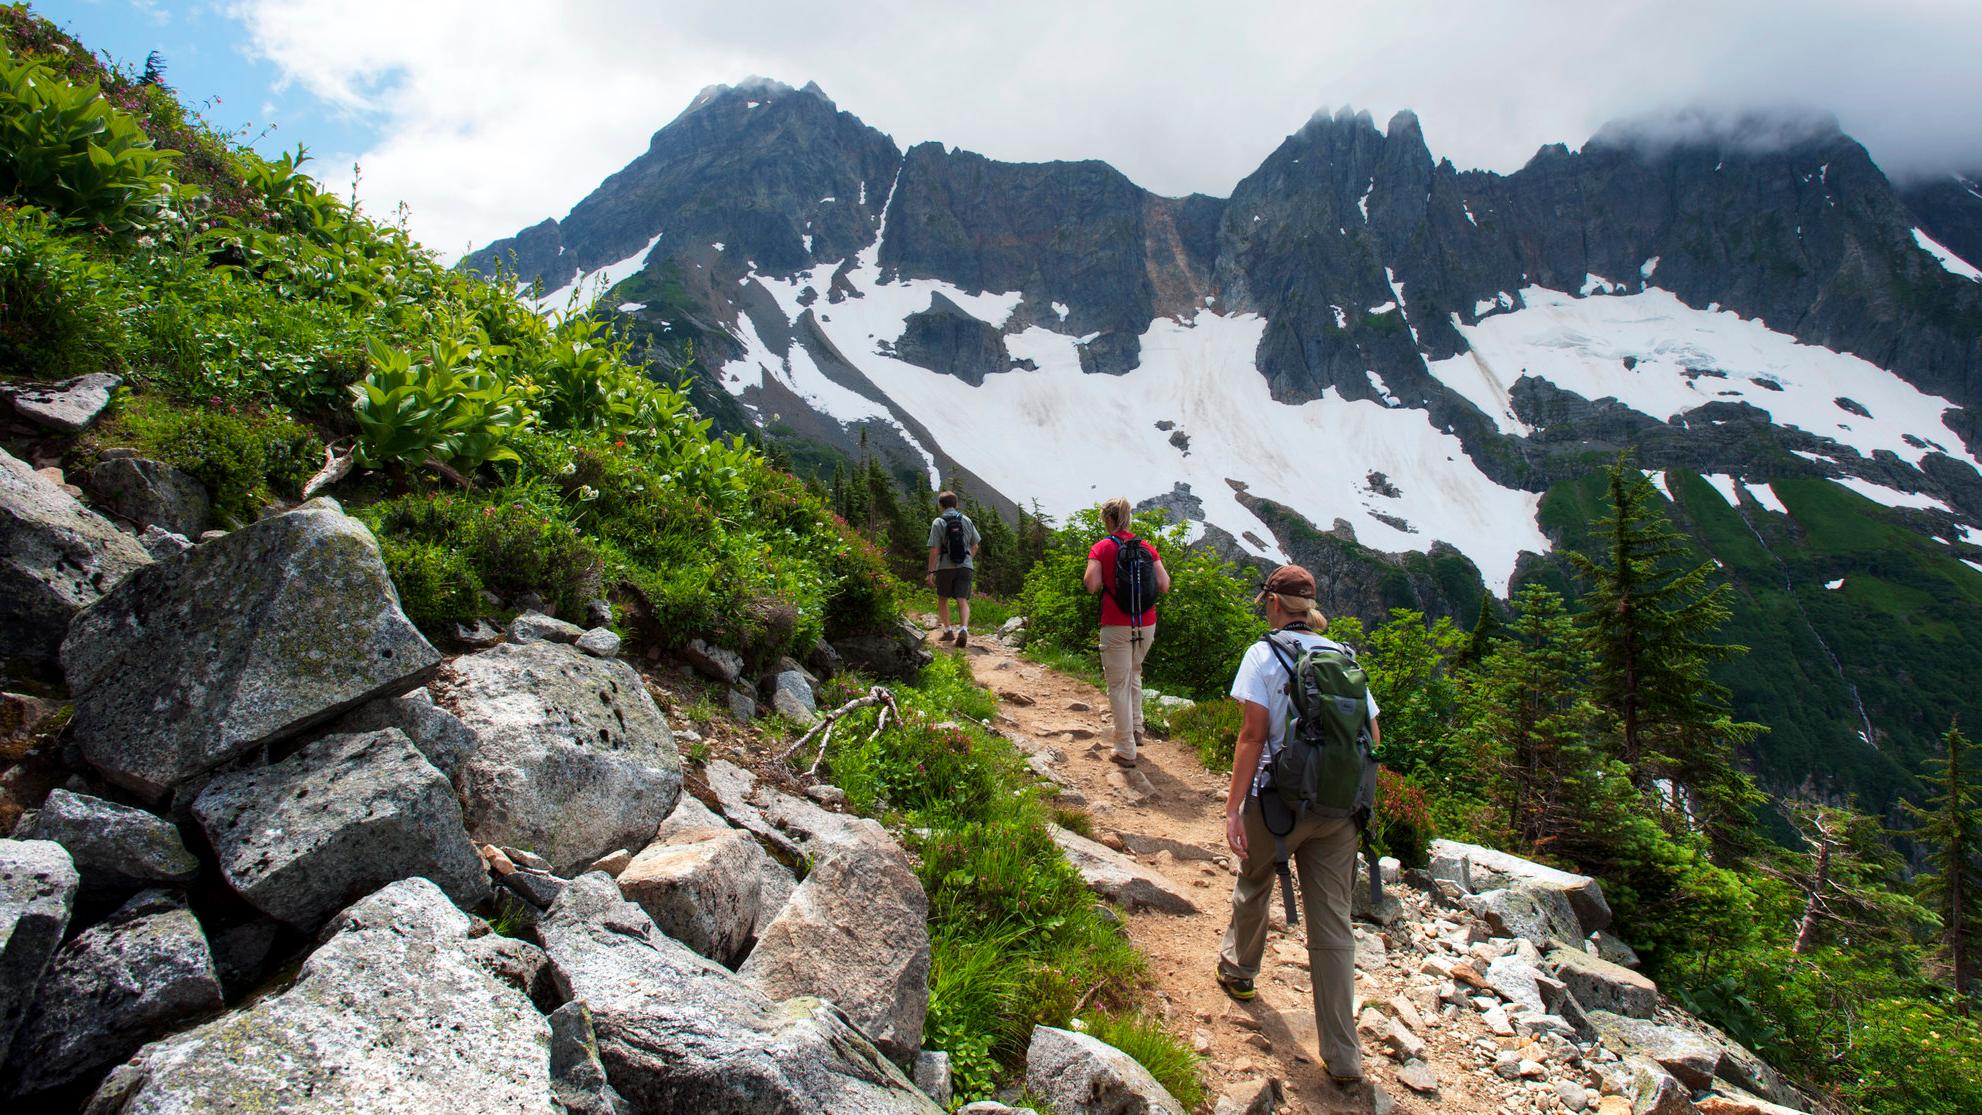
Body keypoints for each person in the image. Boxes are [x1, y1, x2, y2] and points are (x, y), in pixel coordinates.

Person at [1214, 563, 1382, 1088]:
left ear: (1272, 604)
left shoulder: (1263, 653)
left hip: (1279, 803)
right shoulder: (1344, 656)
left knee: (1255, 879)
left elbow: (1251, 735)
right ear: (1307, 608)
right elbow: (1372, 733)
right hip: (1341, 811)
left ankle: (1240, 973)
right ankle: (1343, 1053)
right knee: (1332, 922)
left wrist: (1233, 807)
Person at [1082, 497, 1170, 768]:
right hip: (1146, 623)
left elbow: (1092, 584)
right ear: (1128, 517)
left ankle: (1124, 748)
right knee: (1134, 672)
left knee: (1117, 685)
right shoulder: (1146, 547)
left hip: (1116, 623)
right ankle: (1137, 729)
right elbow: (1164, 584)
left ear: (1107, 519)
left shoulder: (1102, 547)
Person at [926, 491, 981, 646]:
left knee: (942, 598)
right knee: (962, 599)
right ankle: (963, 629)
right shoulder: (966, 520)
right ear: (956, 504)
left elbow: (935, 550)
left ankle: (948, 631)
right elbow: (975, 545)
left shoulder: (938, 522)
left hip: (945, 566)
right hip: (965, 566)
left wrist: (931, 571)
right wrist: (968, 559)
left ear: (941, 505)